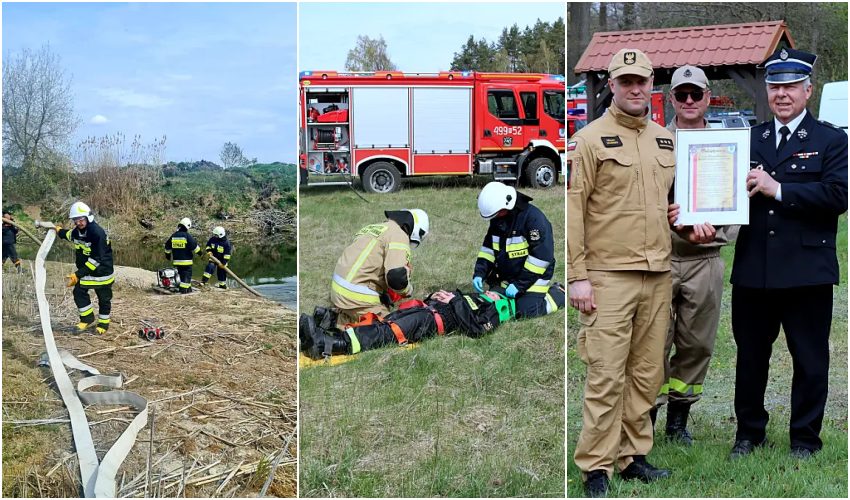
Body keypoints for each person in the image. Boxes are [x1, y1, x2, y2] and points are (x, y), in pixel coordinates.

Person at [567, 48, 714, 497]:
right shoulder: (590, 139)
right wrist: (577, 276)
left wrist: (689, 216)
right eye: (625, 81)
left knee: (647, 372)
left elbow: (677, 201)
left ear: (653, 86)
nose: (634, 89)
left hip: (658, 272)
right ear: (611, 85)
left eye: (642, 81)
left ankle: (632, 456)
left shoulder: (664, 140)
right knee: (607, 373)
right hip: (609, 276)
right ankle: (596, 466)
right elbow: (575, 210)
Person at [729, 48, 848, 460]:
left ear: (808, 90)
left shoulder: (831, 139)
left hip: (806, 270)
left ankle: (805, 439)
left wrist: (778, 189)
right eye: (775, 86)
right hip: (754, 268)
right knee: (751, 358)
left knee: (810, 360)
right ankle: (748, 433)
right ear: (767, 91)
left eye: (791, 86)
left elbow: (838, 194)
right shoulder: (748, 139)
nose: (782, 94)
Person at [652, 66, 739, 445]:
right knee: (654, 341)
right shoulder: (654, 143)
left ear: (708, 97)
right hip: (660, 259)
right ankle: (644, 421)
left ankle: (678, 421)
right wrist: (665, 219)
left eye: (696, 94)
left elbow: (733, 206)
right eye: (681, 94)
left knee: (697, 343)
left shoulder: (726, 147)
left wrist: (713, 233)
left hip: (704, 259)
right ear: (671, 98)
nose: (689, 101)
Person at [301, 284, 563, 359]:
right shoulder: (480, 298)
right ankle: (331, 326)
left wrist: (454, 302)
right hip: (428, 311)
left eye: (496, 292)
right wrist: (436, 296)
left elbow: (476, 330)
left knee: (390, 331)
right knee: (385, 320)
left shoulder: (496, 311)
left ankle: (327, 344)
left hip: (432, 322)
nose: (492, 292)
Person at [473, 182, 564, 317]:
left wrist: (519, 285)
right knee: (494, 305)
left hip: (535, 275)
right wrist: (480, 273)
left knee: (525, 311)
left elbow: (541, 259)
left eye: (497, 214)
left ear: (507, 206)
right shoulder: (500, 219)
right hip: (510, 276)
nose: (495, 217)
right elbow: (488, 250)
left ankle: (559, 292)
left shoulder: (534, 220)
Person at [329, 209, 429, 328]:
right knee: (389, 329)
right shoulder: (399, 235)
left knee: (353, 321)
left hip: (337, 292)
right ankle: (326, 340)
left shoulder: (375, 227)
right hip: (357, 297)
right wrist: (408, 290)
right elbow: (396, 277)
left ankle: (332, 320)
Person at [55, 202, 114, 333]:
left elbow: (96, 260)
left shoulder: (97, 233)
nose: (79, 223)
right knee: (79, 292)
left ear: (88, 217)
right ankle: (87, 319)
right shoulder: (78, 231)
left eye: (81, 219)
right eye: (76, 220)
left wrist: (77, 274)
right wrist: (59, 231)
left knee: (104, 298)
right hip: (87, 271)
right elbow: (70, 235)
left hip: (102, 271)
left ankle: (103, 324)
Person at [164, 217, 202, 294]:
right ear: (187, 226)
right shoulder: (187, 236)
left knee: (182, 276)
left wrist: (168, 255)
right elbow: (194, 246)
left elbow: (167, 246)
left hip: (177, 261)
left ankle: (188, 289)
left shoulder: (174, 235)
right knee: (187, 276)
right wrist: (200, 253)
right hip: (186, 262)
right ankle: (183, 290)